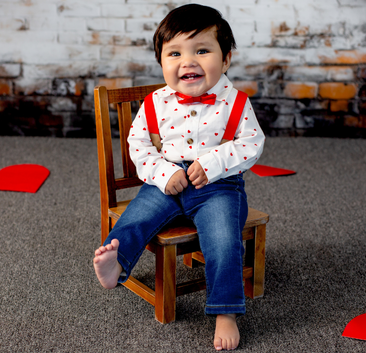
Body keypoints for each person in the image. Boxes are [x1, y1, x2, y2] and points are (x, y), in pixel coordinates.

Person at [94, 4, 265, 351]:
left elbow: (252, 143)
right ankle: (118, 262)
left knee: (222, 240)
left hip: (218, 187)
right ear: (162, 62)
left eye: (202, 50)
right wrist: (164, 171)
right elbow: (138, 145)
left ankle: (226, 310)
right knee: (136, 218)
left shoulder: (236, 103)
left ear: (226, 59)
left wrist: (215, 162)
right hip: (166, 182)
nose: (188, 61)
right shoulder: (155, 103)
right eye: (175, 53)